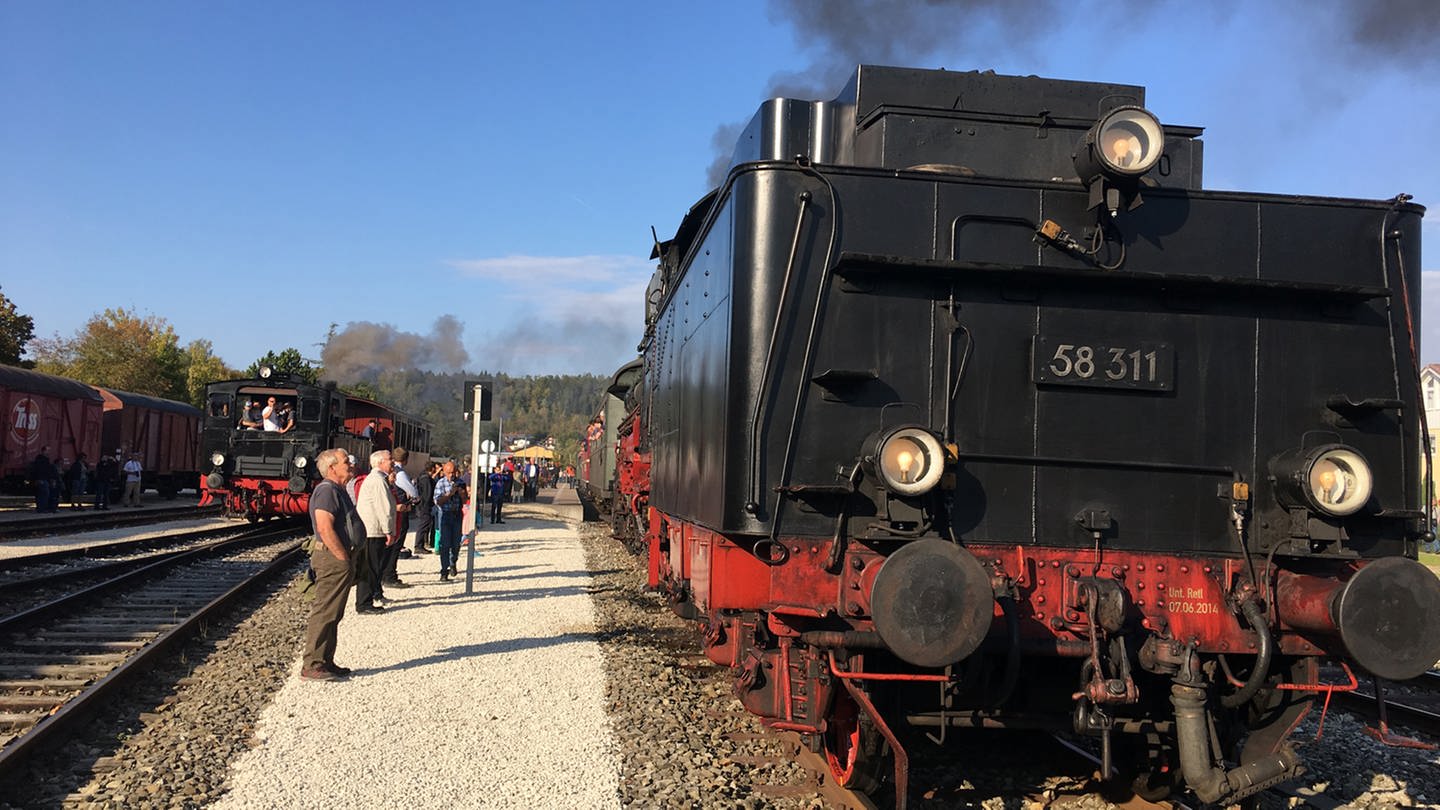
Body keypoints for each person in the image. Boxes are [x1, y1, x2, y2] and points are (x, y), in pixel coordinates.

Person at [302, 448, 358, 681]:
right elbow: (325, 528)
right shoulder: (326, 491)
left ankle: (326, 660)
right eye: (346, 462)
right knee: (326, 611)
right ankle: (313, 664)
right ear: (332, 467)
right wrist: (342, 557)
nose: (351, 465)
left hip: (336, 558)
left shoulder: (337, 489)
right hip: (332, 558)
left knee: (334, 611)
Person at [355, 449, 396, 612]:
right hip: (373, 530)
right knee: (369, 567)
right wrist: (389, 530)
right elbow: (383, 507)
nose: (392, 461)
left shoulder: (377, 479)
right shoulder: (378, 481)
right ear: (380, 462)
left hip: (372, 529)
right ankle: (364, 603)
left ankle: (370, 597)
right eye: (389, 459)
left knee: (371, 566)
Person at [381, 447, 419, 588]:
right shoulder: (400, 473)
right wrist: (414, 497)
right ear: (406, 459)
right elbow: (412, 491)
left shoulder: (393, 472)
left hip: (394, 510)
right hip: (399, 511)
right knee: (396, 544)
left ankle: (387, 573)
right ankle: (390, 574)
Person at [434, 460, 467, 581]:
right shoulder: (440, 484)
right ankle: (444, 570)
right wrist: (449, 494)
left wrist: (462, 493)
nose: (451, 475)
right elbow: (438, 501)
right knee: (444, 544)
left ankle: (453, 561)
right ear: (444, 472)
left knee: (456, 543)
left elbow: (465, 501)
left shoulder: (460, 482)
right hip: (445, 515)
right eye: (448, 473)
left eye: (453, 473)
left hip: (457, 515)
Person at [410, 461, 437, 555]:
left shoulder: (422, 476)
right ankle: (418, 546)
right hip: (424, 506)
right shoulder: (426, 479)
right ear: (432, 468)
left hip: (422, 506)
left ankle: (420, 545)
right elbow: (427, 494)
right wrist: (429, 505)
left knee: (424, 525)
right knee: (423, 525)